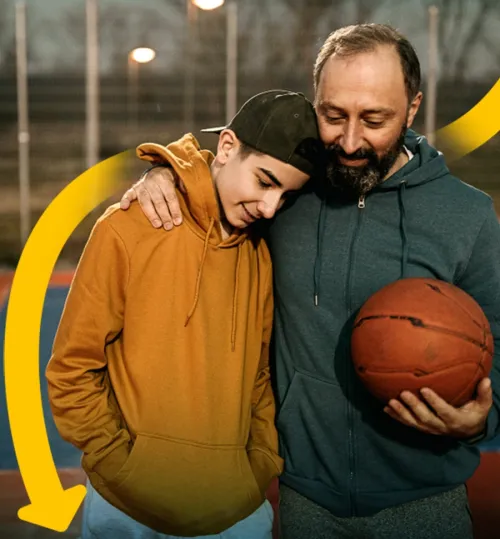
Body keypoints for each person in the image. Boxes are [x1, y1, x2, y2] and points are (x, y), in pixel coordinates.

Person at [120, 24, 500, 539]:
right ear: (314, 101)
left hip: (426, 498)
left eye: (374, 119)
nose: (348, 140)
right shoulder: (288, 189)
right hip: (305, 498)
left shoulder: (468, 215)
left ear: (412, 109)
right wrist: (165, 171)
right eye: (333, 114)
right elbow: (227, 172)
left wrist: (481, 419)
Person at [46, 89, 324, 539]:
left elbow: (259, 377)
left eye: (286, 196)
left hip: (235, 513)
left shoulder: (260, 251)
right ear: (228, 148)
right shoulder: (127, 228)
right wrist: (120, 466)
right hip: (127, 509)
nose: (271, 207)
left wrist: (257, 466)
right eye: (265, 182)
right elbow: (72, 369)